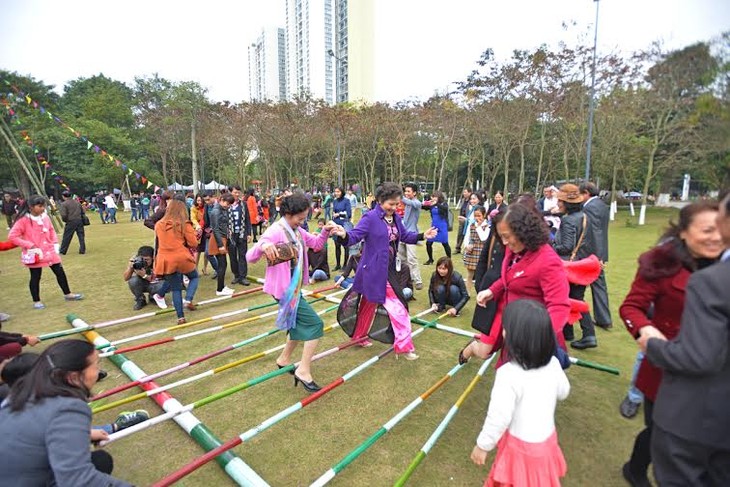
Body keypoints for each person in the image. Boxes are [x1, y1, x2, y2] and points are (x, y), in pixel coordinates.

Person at [619, 200, 722, 487]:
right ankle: (636, 468)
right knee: (660, 431)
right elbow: (631, 308)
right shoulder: (662, 263)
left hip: (716, 372)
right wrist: (646, 331)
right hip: (668, 366)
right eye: (707, 230)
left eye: (722, 229)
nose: (716, 237)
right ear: (684, 232)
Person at [0, 340, 132, 486]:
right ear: (73, 377)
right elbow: (78, 480)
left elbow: (31, 432)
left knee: (100, 460)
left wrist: (84, 434)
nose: (98, 371)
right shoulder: (68, 407)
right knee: (99, 463)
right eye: (96, 365)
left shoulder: (22, 391)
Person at [332, 182, 437, 360]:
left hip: (388, 269)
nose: (394, 207)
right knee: (398, 307)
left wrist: (422, 236)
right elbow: (355, 236)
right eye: (391, 204)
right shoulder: (370, 217)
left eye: (397, 204)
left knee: (369, 303)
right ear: (380, 200)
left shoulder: (395, 217)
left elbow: (404, 236)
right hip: (372, 271)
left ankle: (359, 336)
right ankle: (404, 346)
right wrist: (343, 235)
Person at [471, 300, 570, 487]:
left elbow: (498, 417)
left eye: (506, 328)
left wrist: (483, 445)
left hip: (520, 450)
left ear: (517, 337)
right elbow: (563, 392)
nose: (503, 331)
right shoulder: (553, 364)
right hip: (546, 443)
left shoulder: (508, 374)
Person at [459, 203, 570, 364]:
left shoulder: (548, 261)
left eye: (507, 236)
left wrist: (533, 339)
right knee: (487, 353)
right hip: (506, 315)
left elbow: (559, 306)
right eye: (500, 236)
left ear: (524, 232)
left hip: (529, 333)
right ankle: (472, 348)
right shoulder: (514, 249)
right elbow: (510, 276)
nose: (503, 242)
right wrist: (492, 291)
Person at [246, 193, 333, 393]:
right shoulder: (276, 230)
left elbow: (317, 244)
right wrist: (264, 245)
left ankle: (284, 359)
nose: (303, 221)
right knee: (315, 324)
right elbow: (250, 257)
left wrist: (326, 231)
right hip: (284, 290)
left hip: (294, 288)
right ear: (287, 213)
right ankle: (303, 370)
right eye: (300, 218)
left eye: (304, 217)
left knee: (294, 322)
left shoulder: (298, 231)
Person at [8, 195, 84, 309]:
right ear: (31, 207)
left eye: (44, 206)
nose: (43, 208)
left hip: (49, 250)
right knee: (35, 276)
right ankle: (36, 301)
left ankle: (68, 294)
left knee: (60, 272)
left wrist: (55, 243)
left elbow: (51, 231)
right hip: (35, 253)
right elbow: (12, 237)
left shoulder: (45, 217)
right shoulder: (24, 220)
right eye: (40, 206)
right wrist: (30, 245)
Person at [552, 183, 598, 349]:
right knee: (573, 298)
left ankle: (589, 334)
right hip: (581, 265)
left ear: (567, 203)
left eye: (560, 201)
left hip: (568, 266)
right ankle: (568, 331)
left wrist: (550, 244)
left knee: (572, 299)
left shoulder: (568, 220)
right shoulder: (584, 216)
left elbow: (566, 246)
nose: (558, 204)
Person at [153, 199, 200, 325]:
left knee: (176, 288)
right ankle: (188, 299)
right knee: (194, 277)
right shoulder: (184, 223)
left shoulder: (158, 225)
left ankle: (180, 317)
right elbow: (193, 243)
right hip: (181, 256)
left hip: (165, 259)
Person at [580, 182, 612, 330]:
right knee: (599, 286)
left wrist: (598, 257)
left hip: (592, 254)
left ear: (586, 193)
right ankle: (604, 318)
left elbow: (596, 233)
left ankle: (601, 319)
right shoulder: (602, 205)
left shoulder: (590, 207)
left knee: (582, 287)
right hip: (598, 252)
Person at [471, 209, 506, 336]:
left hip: (505, 286)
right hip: (490, 280)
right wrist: (479, 282)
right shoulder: (495, 229)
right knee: (484, 325)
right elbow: (485, 255)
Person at [123, 245, 169, 310]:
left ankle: (154, 297)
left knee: (162, 284)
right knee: (133, 281)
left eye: (147, 260)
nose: (144, 262)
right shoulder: (137, 262)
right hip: (142, 283)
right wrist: (130, 268)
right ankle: (140, 300)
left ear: (153, 258)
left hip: (156, 283)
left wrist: (144, 275)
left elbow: (155, 279)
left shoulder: (157, 262)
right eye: (142, 259)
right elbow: (126, 278)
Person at [397, 183, 424, 290]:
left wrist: (399, 195)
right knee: (401, 258)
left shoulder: (417, 203)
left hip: (412, 234)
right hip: (402, 234)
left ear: (415, 193)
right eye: (405, 191)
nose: (406, 193)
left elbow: (408, 201)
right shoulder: (406, 203)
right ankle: (407, 279)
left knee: (412, 258)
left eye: (409, 191)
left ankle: (418, 280)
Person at [209, 193, 235, 296]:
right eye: (227, 203)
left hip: (223, 237)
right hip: (218, 239)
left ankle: (221, 287)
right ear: (222, 200)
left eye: (229, 204)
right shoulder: (215, 211)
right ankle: (220, 289)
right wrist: (220, 245)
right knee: (222, 264)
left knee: (223, 264)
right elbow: (215, 229)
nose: (228, 206)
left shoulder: (223, 210)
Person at [228, 186, 253, 286]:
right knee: (232, 256)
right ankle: (236, 275)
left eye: (238, 192)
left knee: (242, 255)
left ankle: (243, 276)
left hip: (242, 233)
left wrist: (249, 233)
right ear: (231, 192)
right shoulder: (227, 204)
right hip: (231, 235)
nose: (237, 194)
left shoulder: (243, 204)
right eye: (235, 192)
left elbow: (247, 219)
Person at [462, 204, 490, 294]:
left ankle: (481, 292)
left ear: (484, 215)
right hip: (472, 250)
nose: (477, 218)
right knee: (470, 274)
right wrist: (467, 246)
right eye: (475, 215)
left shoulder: (487, 226)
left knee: (480, 274)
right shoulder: (471, 225)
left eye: (479, 216)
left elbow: (483, 238)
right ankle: (467, 293)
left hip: (482, 251)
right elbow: (467, 236)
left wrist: (478, 226)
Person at [422, 190, 451, 264]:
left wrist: (436, 204)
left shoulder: (443, 204)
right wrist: (425, 203)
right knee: (428, 243)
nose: (433, 198)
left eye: (435, 197)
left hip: (442, 226)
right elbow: (424, 207)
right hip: (434, 226)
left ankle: (449, 259)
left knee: (445, 243)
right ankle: (430, 259)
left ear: (439, 197)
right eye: (433, 196)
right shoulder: (432, 204)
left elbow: (445, 209)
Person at [58, 191, 86, 255]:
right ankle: (82, 250)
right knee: (81, 236)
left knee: (67, 237)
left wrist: (65, 220)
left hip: (71, 221)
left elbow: (63, 215)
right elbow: (82, 212)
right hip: (79, 220)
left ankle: (63, 251)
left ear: (63, 196)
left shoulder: (64, 204)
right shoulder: (77, 202)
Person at [331, 187, 352, 270]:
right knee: (337, 245)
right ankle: (338, 264)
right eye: (335, 191)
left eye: (338, 191)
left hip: (344, 225)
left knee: (345, 246)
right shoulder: (335, 201)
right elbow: (334, 211)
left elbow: (349, 214)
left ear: (342, 192)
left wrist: (339, 214)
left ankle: (345, 265)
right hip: (336, 224)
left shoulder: (346, 201)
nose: (336, 193)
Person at [190, 194, 208, 274]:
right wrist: (197, 226)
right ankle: (195, 269)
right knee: (197, 251)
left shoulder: (206, 207)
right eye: (198, 200)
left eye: (201, 200)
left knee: (207, 251)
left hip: (206, 231)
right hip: (197, 232)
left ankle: (205, 268)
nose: (199, 202)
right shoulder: (193, 208)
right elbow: (193, 218)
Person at [454, 187, 473, 254]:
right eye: (464, 192)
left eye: (465, 192)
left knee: (467, 234)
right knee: (460, 234)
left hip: (468, 220)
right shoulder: (463, 200)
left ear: (470, 193)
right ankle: (457, 248)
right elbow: (461, 209)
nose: (464, 193)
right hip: (462, 219)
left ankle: (467, 248)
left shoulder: (471, 201)